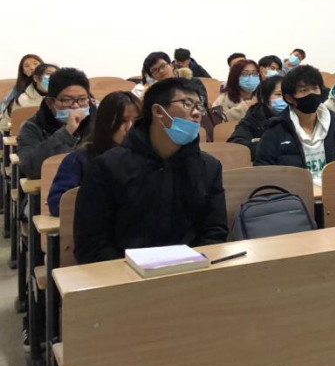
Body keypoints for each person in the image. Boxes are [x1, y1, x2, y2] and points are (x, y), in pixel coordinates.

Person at [74, 78, 228, 263]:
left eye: (199, 106)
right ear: (158, 111)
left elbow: (214, 231)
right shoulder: (108, 166)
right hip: (124, 272)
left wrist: (194, 264)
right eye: (187, 104)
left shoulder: (209, 167)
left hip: (191, 269)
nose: (196, 113)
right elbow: (91, 242)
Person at [48, 91, 140, 216]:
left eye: (136, 121)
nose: (130, 127)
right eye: (123, 120)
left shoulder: (148, 157)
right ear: (106, 123)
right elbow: (58, 204)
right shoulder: (78, 159)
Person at [254, 65, 335, 177]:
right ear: (290, 98)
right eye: (304, 90)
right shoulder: (275, 131)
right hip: (294, 188)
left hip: (331, 186)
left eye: (315, 88)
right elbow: (264, 173)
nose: (312, 94)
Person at [17, 67, 97, 180]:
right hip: (50, 187)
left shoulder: (99, 120)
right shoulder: (32, 127)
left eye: (82, 99)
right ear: (50, 102)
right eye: (67, 100)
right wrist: (66, 133)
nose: (76, 106)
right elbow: (30, 169)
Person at [229, 76, 285, 156]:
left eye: (287, 94)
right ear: (263, 98)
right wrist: (267, 145)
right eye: (278, 94)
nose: (284, 99)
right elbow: (235, 144)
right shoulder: (253, 117)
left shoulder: (298, 115)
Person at [2, 62, 58, 130]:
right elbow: (9, 124)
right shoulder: (23, 99)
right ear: (36, 78)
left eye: (56, 75)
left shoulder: (60, 97)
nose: (53, 78)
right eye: (49, 74)